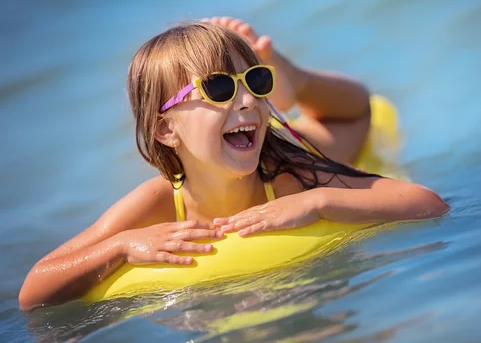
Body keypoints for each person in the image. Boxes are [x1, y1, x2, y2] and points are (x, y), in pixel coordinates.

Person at [19, 17, 448, 310]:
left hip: (308, 146)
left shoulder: (290, 177)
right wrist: (122, 245)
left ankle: (291, 78)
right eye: (219, 89)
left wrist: (321, 202)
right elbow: (35, 289)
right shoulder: (156, 205)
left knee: (353, 115)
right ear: (166, 130)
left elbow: (427, 203)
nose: (245, 99)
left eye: (255, 81)